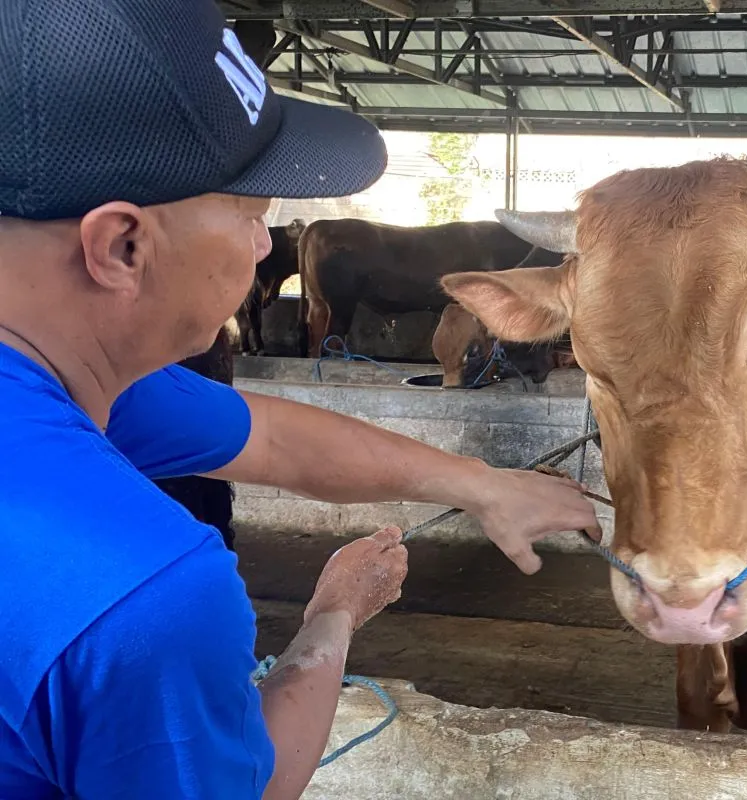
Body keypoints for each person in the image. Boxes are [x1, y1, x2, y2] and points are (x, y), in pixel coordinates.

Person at [0, 3, 601, 799]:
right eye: (252, 214)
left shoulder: (70, 385)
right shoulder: (146, 595)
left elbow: (274, 439)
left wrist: (483, 485)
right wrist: (333, 615)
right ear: (122, 245)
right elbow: (258, 782)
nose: (264, 246)